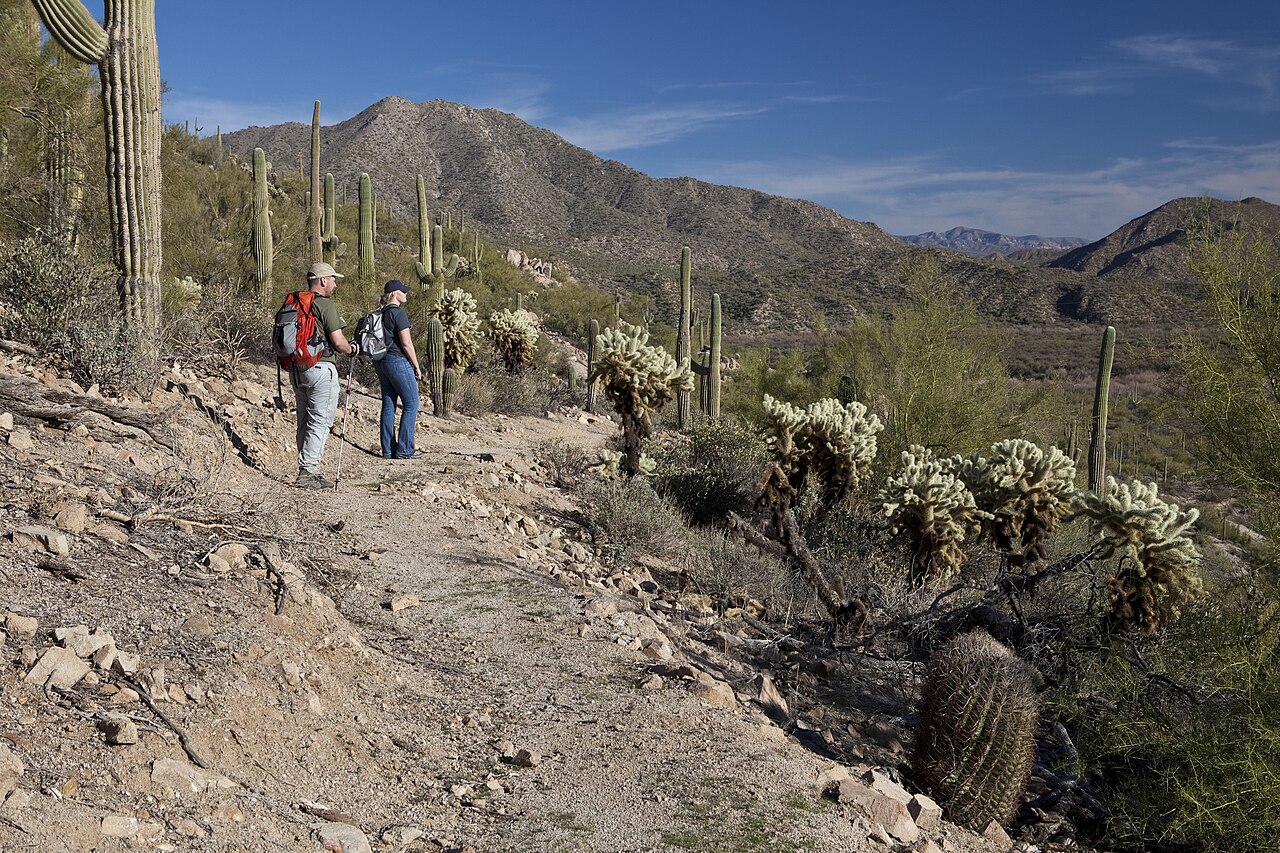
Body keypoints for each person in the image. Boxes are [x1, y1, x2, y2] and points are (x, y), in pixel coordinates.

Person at [292, 262, 359, 489]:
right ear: (322, 280)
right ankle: (308, 471)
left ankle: (308, 468)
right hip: (321, 368)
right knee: (320, 420)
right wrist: (354, 350)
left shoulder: (295, 303)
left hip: (296, 369)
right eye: (332, 278)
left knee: (304, 418)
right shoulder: (325, 305)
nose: (335, 283)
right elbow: (339, 342)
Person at [374, 280, 424, 459]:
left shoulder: (380, 313)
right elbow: (406, 343)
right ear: (395, 293)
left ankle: (388, 449)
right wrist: (416, 366)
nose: (406, 294)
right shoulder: (398, 314)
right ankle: (404, 449)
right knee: (411, 404)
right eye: (404, 291)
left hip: (381, 361)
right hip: (397, 361)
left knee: (388, 404)